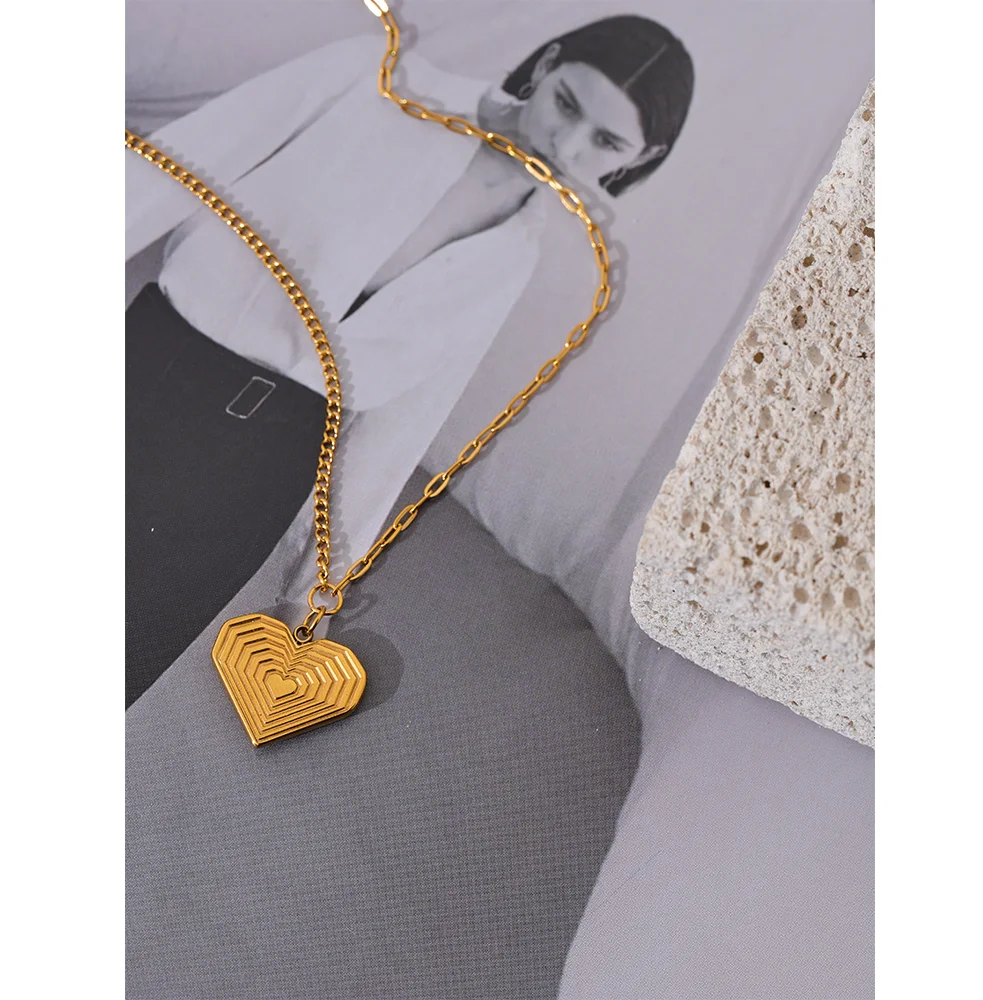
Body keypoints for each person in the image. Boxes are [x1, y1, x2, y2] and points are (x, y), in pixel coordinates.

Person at [125, 14, 694, 684]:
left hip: (263, 470)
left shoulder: (514, 252)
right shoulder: (373, 77)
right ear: (544, 69)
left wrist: (318, 584)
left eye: (606, 140)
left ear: (638, 160)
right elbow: (176, 164)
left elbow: (405, 416)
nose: (565, 144)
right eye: (566, 104)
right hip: (156, 372)